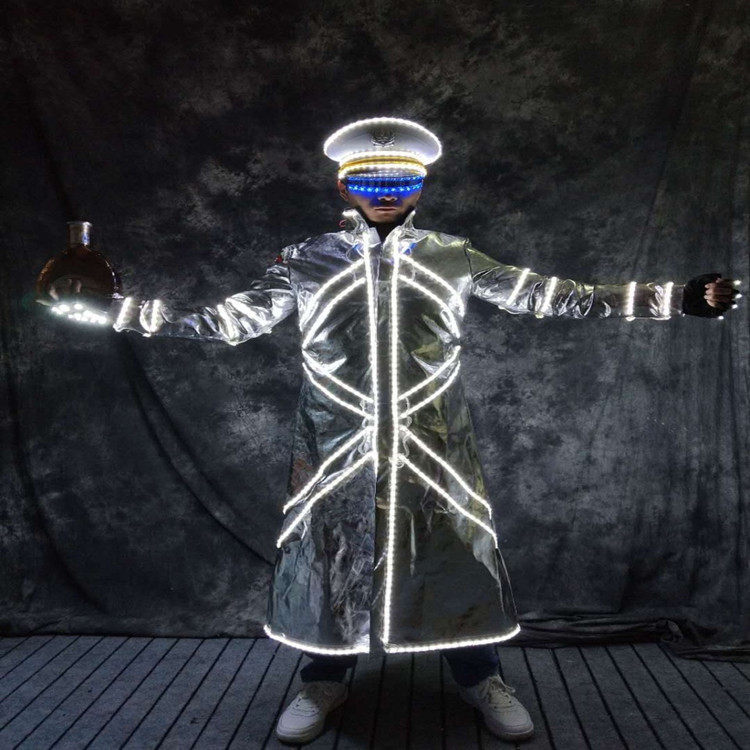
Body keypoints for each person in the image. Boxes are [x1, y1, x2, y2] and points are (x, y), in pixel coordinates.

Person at [42, 116, 741, 745]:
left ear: (420, 186)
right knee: (329, 558)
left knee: (454, 554)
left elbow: (552, 295)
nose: (384, 194)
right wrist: (120, 311)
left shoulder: (453, 254)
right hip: (334, 447)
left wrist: (675, 297)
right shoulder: (305, 259)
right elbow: (229, 321)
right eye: (369, 181)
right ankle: (323, 682)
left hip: (432, 444)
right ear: (344, 185)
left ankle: (482, 679)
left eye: (400, 181)